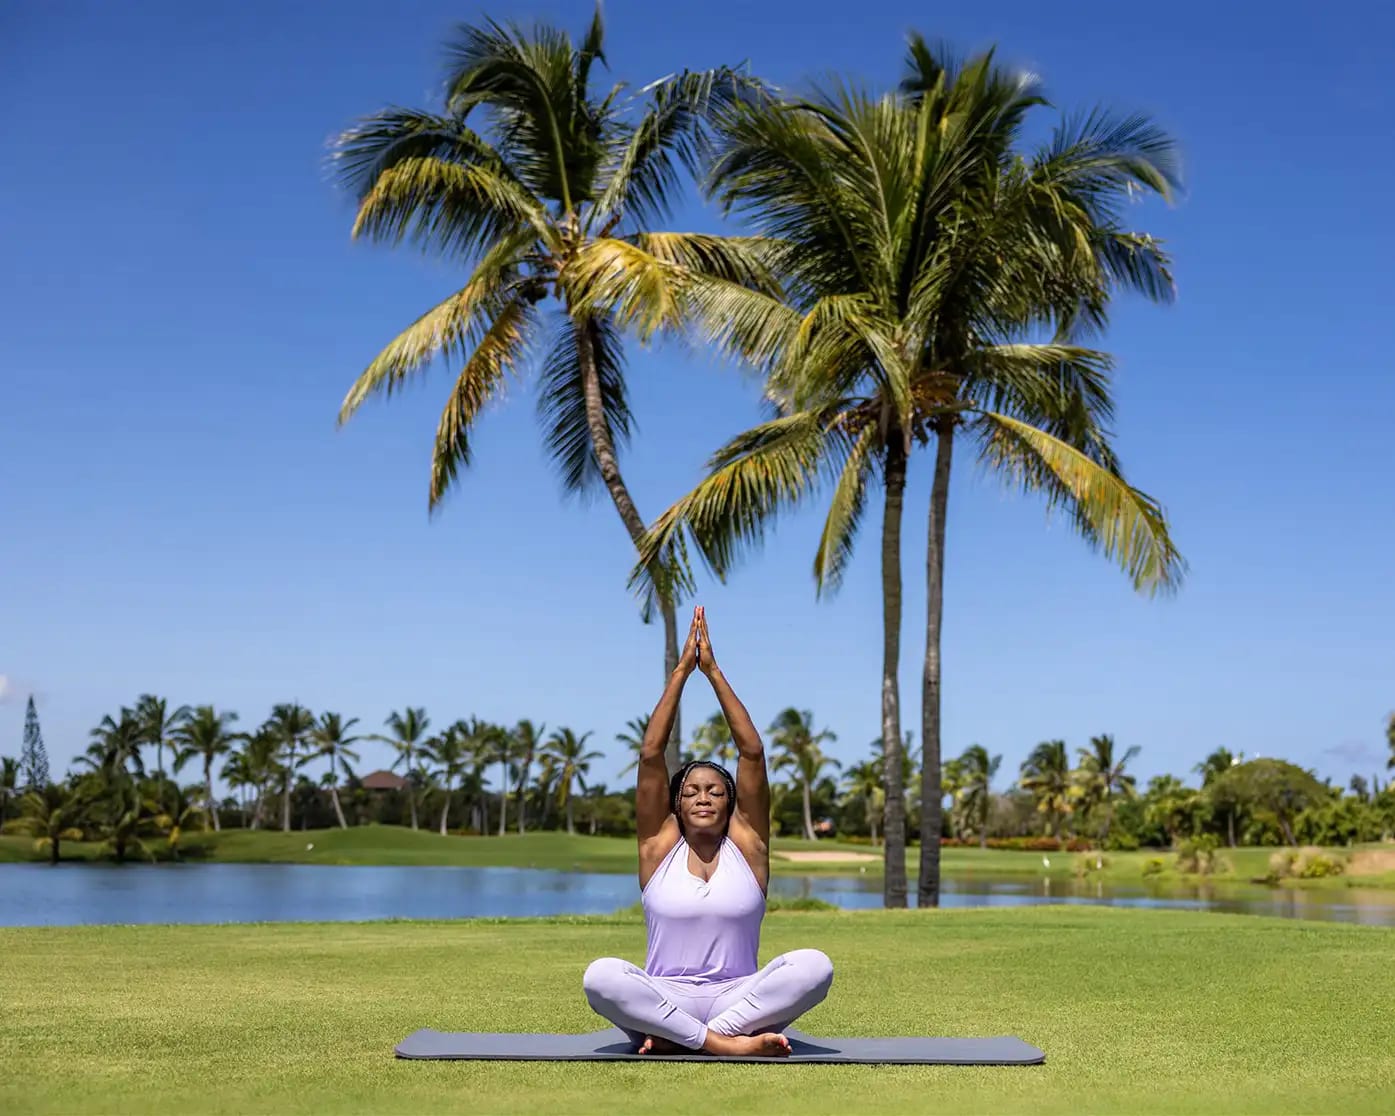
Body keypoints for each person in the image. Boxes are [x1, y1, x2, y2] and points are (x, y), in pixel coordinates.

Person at [582, 605, 833, 1057]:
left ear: (731, 804)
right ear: (675, 803)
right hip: (665, 995)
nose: (703, 797)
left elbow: (752, 753)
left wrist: (712, 672)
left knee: (815, 967)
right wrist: (681, 672)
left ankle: (688, 1038)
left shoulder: (748, 847)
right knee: (600, 976)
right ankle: (723, 1045)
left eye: (716, 792)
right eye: (692, 790)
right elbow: (651, 754)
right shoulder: (657, 849)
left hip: (740, 999)